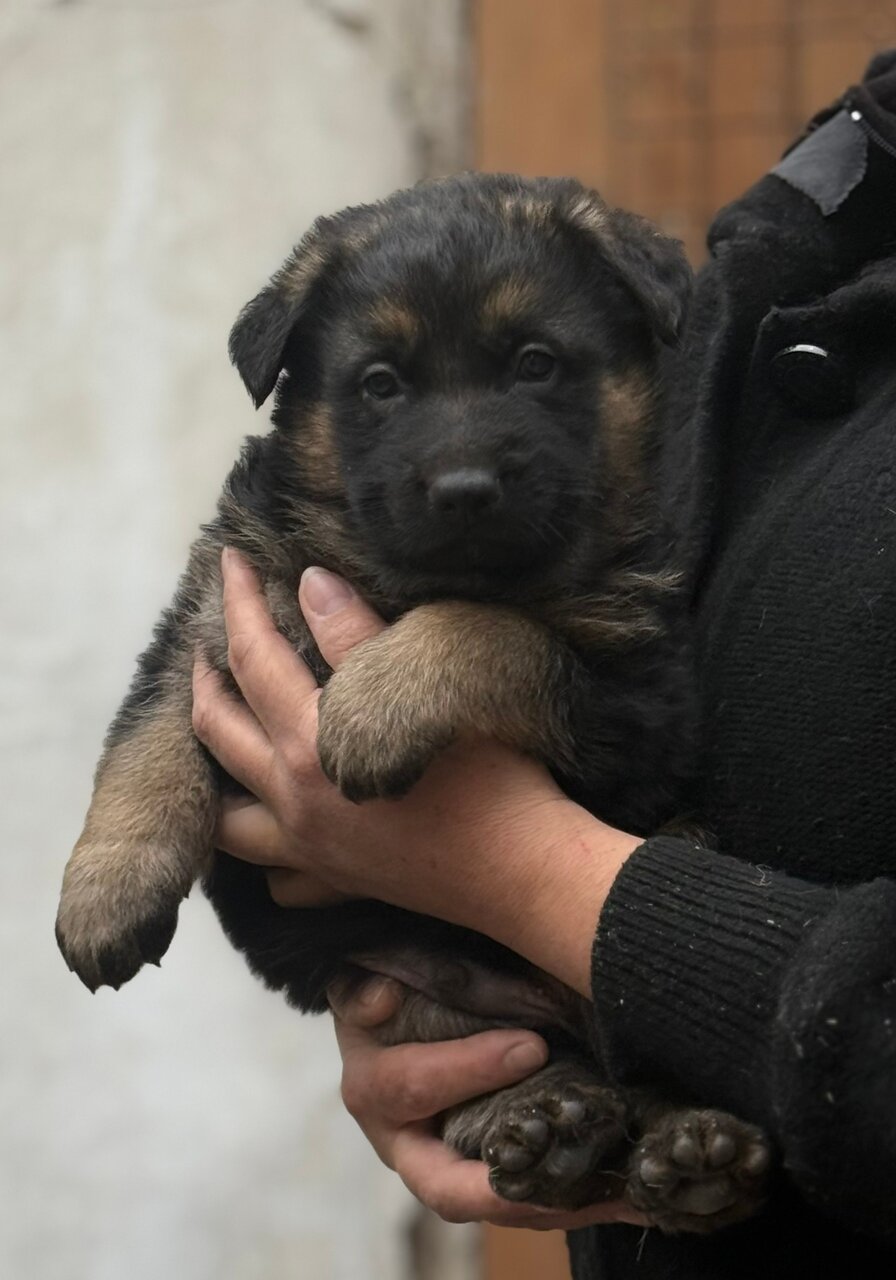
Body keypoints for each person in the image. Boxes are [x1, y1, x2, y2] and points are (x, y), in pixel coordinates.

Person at [191, 54, 896, 1278]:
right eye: (382, 385)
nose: (462, 453)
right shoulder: (825, 200)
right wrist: (413, 958)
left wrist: (528, 877)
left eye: (532, 370)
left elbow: (600, 714)